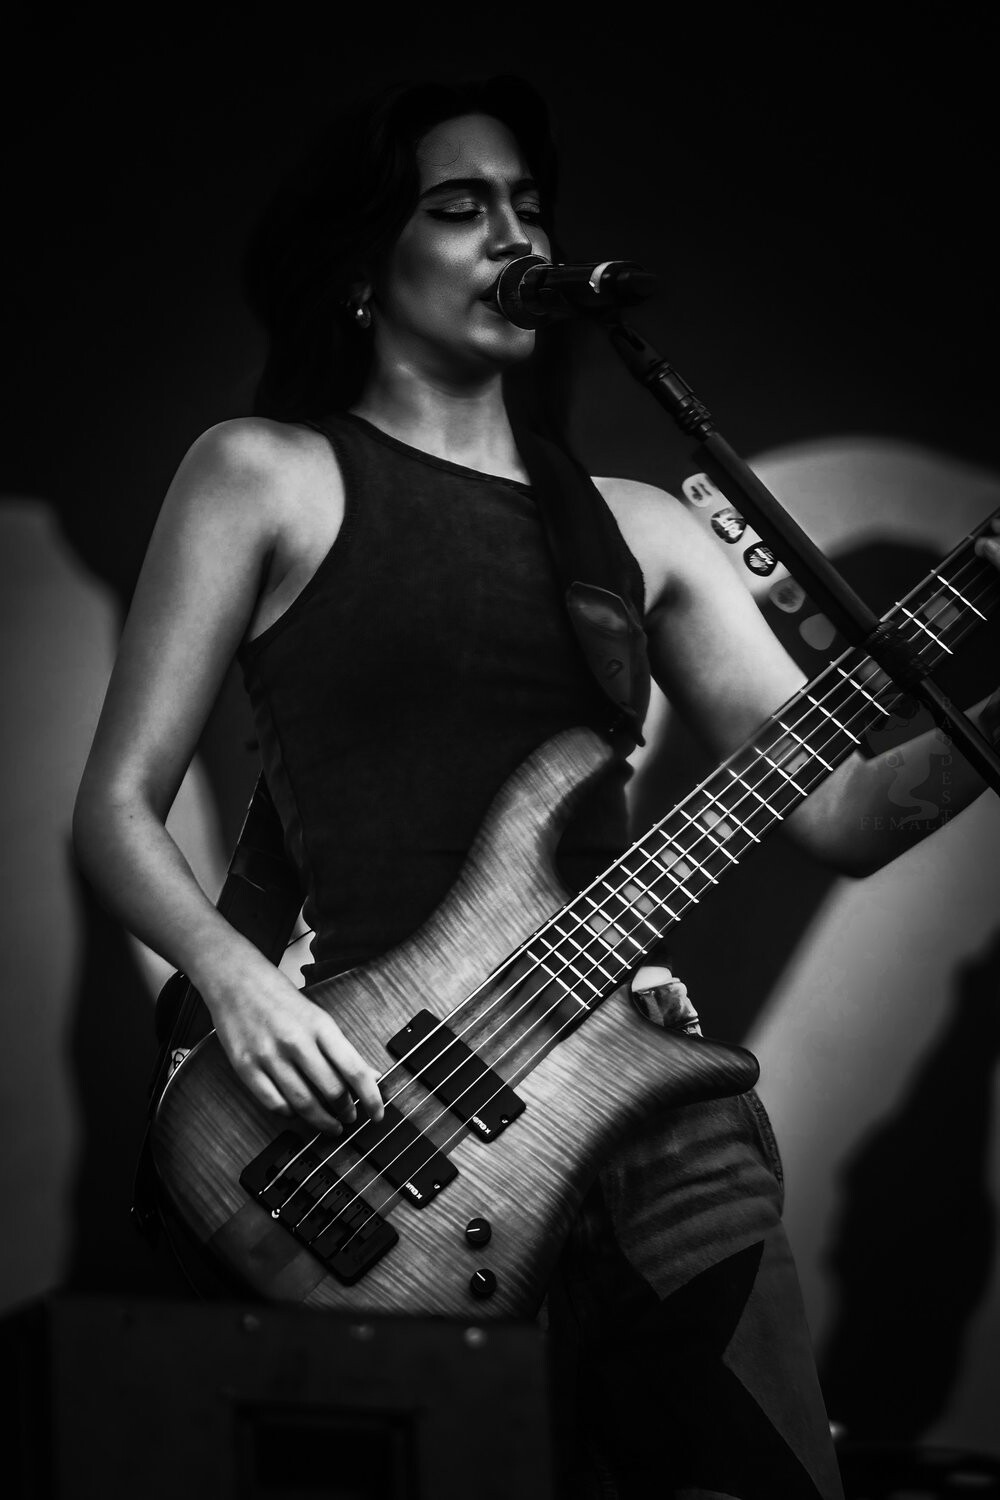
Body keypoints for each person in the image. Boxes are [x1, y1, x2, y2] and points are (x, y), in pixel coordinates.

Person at [73, 74, 1000, 1499]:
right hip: (381, 1120)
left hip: (649, 1111)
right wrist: (238, 985)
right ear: (363, 270)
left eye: (528, 204)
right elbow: (117, 807)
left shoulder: (639, 529)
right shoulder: (263, 475)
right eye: (461, 206)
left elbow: (845, 812)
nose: (514, 233)